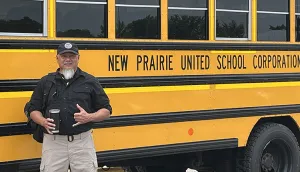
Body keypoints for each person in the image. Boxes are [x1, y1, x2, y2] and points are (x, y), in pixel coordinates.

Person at [28, 42, 112, 172]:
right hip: (53, 143)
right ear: (57, 58)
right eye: (64, 56)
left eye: (72, 56)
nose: (68, 59)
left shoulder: (90, 81)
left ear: (78, 58)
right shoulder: (46, 82)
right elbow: (33, 109)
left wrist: (89, 117)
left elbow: (106, 110)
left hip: (82, 142)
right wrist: (43, 121)